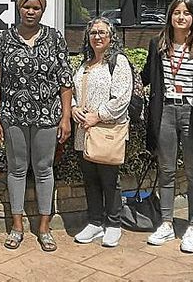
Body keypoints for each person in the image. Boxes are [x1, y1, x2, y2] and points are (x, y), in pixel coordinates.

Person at [0, 0, 72, 252]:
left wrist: (66, 117)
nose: (30, 12)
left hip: (47, 115)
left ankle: (44, 228)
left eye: (36, 8)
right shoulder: (4, 38)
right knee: (16, 170)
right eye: (26, 7)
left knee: (43, 169)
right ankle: (17, 226)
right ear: (19, 8)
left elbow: (64, 80)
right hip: (13, 115)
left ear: (42, 10)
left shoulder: (54, 38)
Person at [141, 0, 193, 253]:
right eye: (176, 12)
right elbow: (147, 76)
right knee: (167, 170)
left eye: (186, 13)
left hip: (192, 113)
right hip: (166, 111)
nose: (181, 17)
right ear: (169, 16)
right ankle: (167, 222)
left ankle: (192, 226)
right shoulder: (158, 44)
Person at [71, 17, 131, 248]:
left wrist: (98, 115)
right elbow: (74, 89)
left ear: (111, 36)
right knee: (90, 179)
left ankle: (114, 224)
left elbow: (121, 98)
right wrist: (75, 108)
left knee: (109, 180)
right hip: (83, 132)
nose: (97, 36)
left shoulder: (118, 62)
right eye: (93, 32)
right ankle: (95, 222)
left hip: (106, 131)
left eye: (102, 32)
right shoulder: (84, 63)